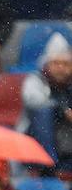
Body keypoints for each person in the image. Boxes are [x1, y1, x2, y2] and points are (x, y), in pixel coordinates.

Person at [22, 33, 72, 169]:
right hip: (40, 135)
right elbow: (35, 102)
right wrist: (63, 111)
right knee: (43, 112)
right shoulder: (35, 80)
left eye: (66, 64)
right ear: (47, 64)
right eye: (56, 63)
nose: (61, 68)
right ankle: (47, 163)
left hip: (67, 137)